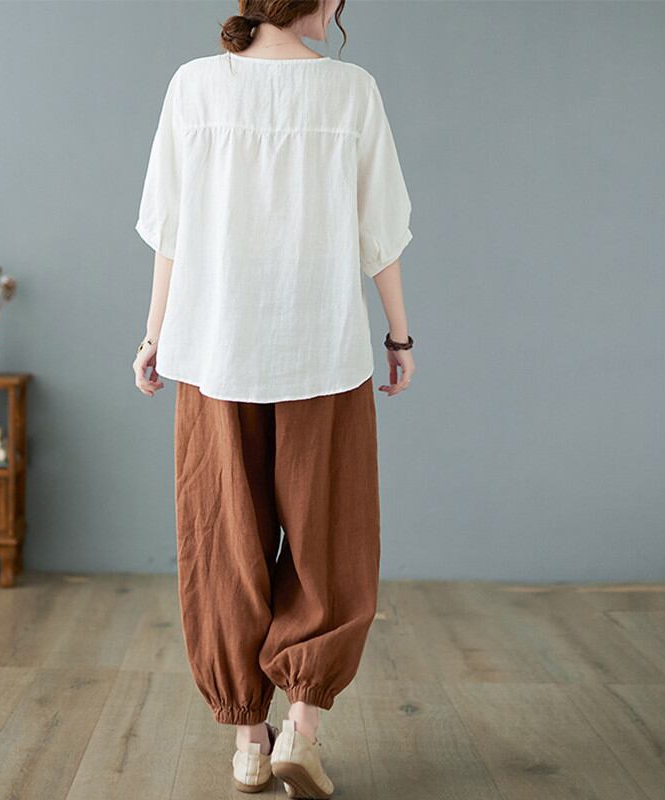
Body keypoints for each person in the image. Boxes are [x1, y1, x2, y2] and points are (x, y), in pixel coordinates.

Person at [132, 1, 415, 797]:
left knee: (224, 543)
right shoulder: (351, 91)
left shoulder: (193, 86)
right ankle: (302, 732)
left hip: (213, 354)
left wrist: (153, 335)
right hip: (320, 352)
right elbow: (380, 232)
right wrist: (399, 337)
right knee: (331, 542)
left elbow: (169, 231)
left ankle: (248, 742)